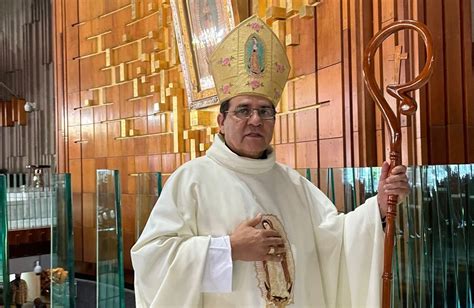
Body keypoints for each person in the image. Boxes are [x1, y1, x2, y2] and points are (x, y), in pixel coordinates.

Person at [131, 15, 409, 307]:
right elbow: (152, 261)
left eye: (265, 111)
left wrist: (378, 205)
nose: (255, 120)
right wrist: (228, 249)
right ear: (221, 121)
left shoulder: (293, 184)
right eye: (243, 110)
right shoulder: (191, 181)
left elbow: (334, 245)